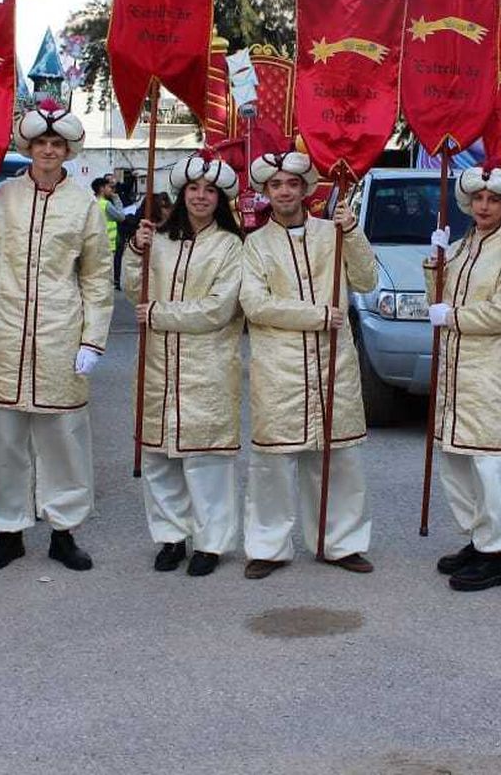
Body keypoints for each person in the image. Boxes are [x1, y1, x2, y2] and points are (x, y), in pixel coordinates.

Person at [0, 99, 113, 573]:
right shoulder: (2, 197)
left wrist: (92, 340)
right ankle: (8, 530)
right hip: (4, 332)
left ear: (67, 150)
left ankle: (64, 531)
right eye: (41, 143)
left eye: (56, 144)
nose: (48, 151)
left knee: (61, 437)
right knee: (3, 439)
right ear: (29, 146)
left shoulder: (84, 204)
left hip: (58, 334)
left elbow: (96, 277)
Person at [239, 150, 378, 578]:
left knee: (339, 458)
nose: (284, 190)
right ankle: (268, 547)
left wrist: (352, 234)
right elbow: (253, 303)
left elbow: (367, 280)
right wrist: (316, 316)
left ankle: (341, 543)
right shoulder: (256, 243)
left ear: (305, 189)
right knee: (274, 462)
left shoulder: (332, 233)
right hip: (279, 367)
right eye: (276, 184)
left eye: (292, 183)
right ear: (266, 191)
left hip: (333, 363)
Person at [125, 153, 245, 577]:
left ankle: (211, 543)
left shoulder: (231, 246)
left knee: (206, 460)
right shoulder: (157, 238)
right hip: (158, 363)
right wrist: (133, 251)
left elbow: (219, 308)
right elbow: (132, 289)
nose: (200, 196)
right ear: (181, 194)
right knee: (159, 457)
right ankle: (170, 537)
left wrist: (158, 313)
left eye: (209, 190)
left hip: (207, 365)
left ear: (220, 198)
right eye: (193, 189)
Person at [421, 167, 501, 592]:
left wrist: (455, 318)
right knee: (456, 457)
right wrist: (435, 263)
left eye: (493, 199)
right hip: (454, 370)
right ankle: (477, 536)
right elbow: (437, 299)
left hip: (489, 373)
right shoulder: (462, 246)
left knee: (491, 463)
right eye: (479, 198)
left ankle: (495, 552)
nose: (484, 206)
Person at [94, 176, 122, 285]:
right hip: (108, 244)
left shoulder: (92, 201)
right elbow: (121, 216)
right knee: (107, 275)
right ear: (102, 189)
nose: (111, 190)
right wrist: (116, 198)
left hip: (96, 242)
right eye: (109, 187)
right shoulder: (106, 204)